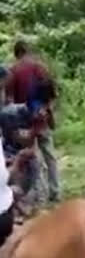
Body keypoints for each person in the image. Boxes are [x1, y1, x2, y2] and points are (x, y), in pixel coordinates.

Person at [4, 41, 59, 202]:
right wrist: (49, 112)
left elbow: (9, 99)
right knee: (49, 155)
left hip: (24, 120)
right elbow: (50, 92)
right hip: (42, 117)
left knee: (32, 157)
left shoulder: (13, 71)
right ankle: (55, 190)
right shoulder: (39, 67)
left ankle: (38, 193)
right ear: (28, 51)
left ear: (16, 54)